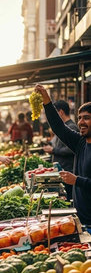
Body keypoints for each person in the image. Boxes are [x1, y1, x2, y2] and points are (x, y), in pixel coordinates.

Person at [35, 84, 91, 226]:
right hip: (81, 218)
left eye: (86, 118)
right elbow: (59, 127)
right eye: (79, 118)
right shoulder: (81, 142)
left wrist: (77, 180)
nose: (81, 122)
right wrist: (46, 100)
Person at [42, 100, 79, 200]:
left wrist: (54, 150)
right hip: (63, 169)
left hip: (68, 170)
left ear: (61, 112)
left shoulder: (72, 127)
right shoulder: (65, 126)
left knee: (69, 198)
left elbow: (70, 150)